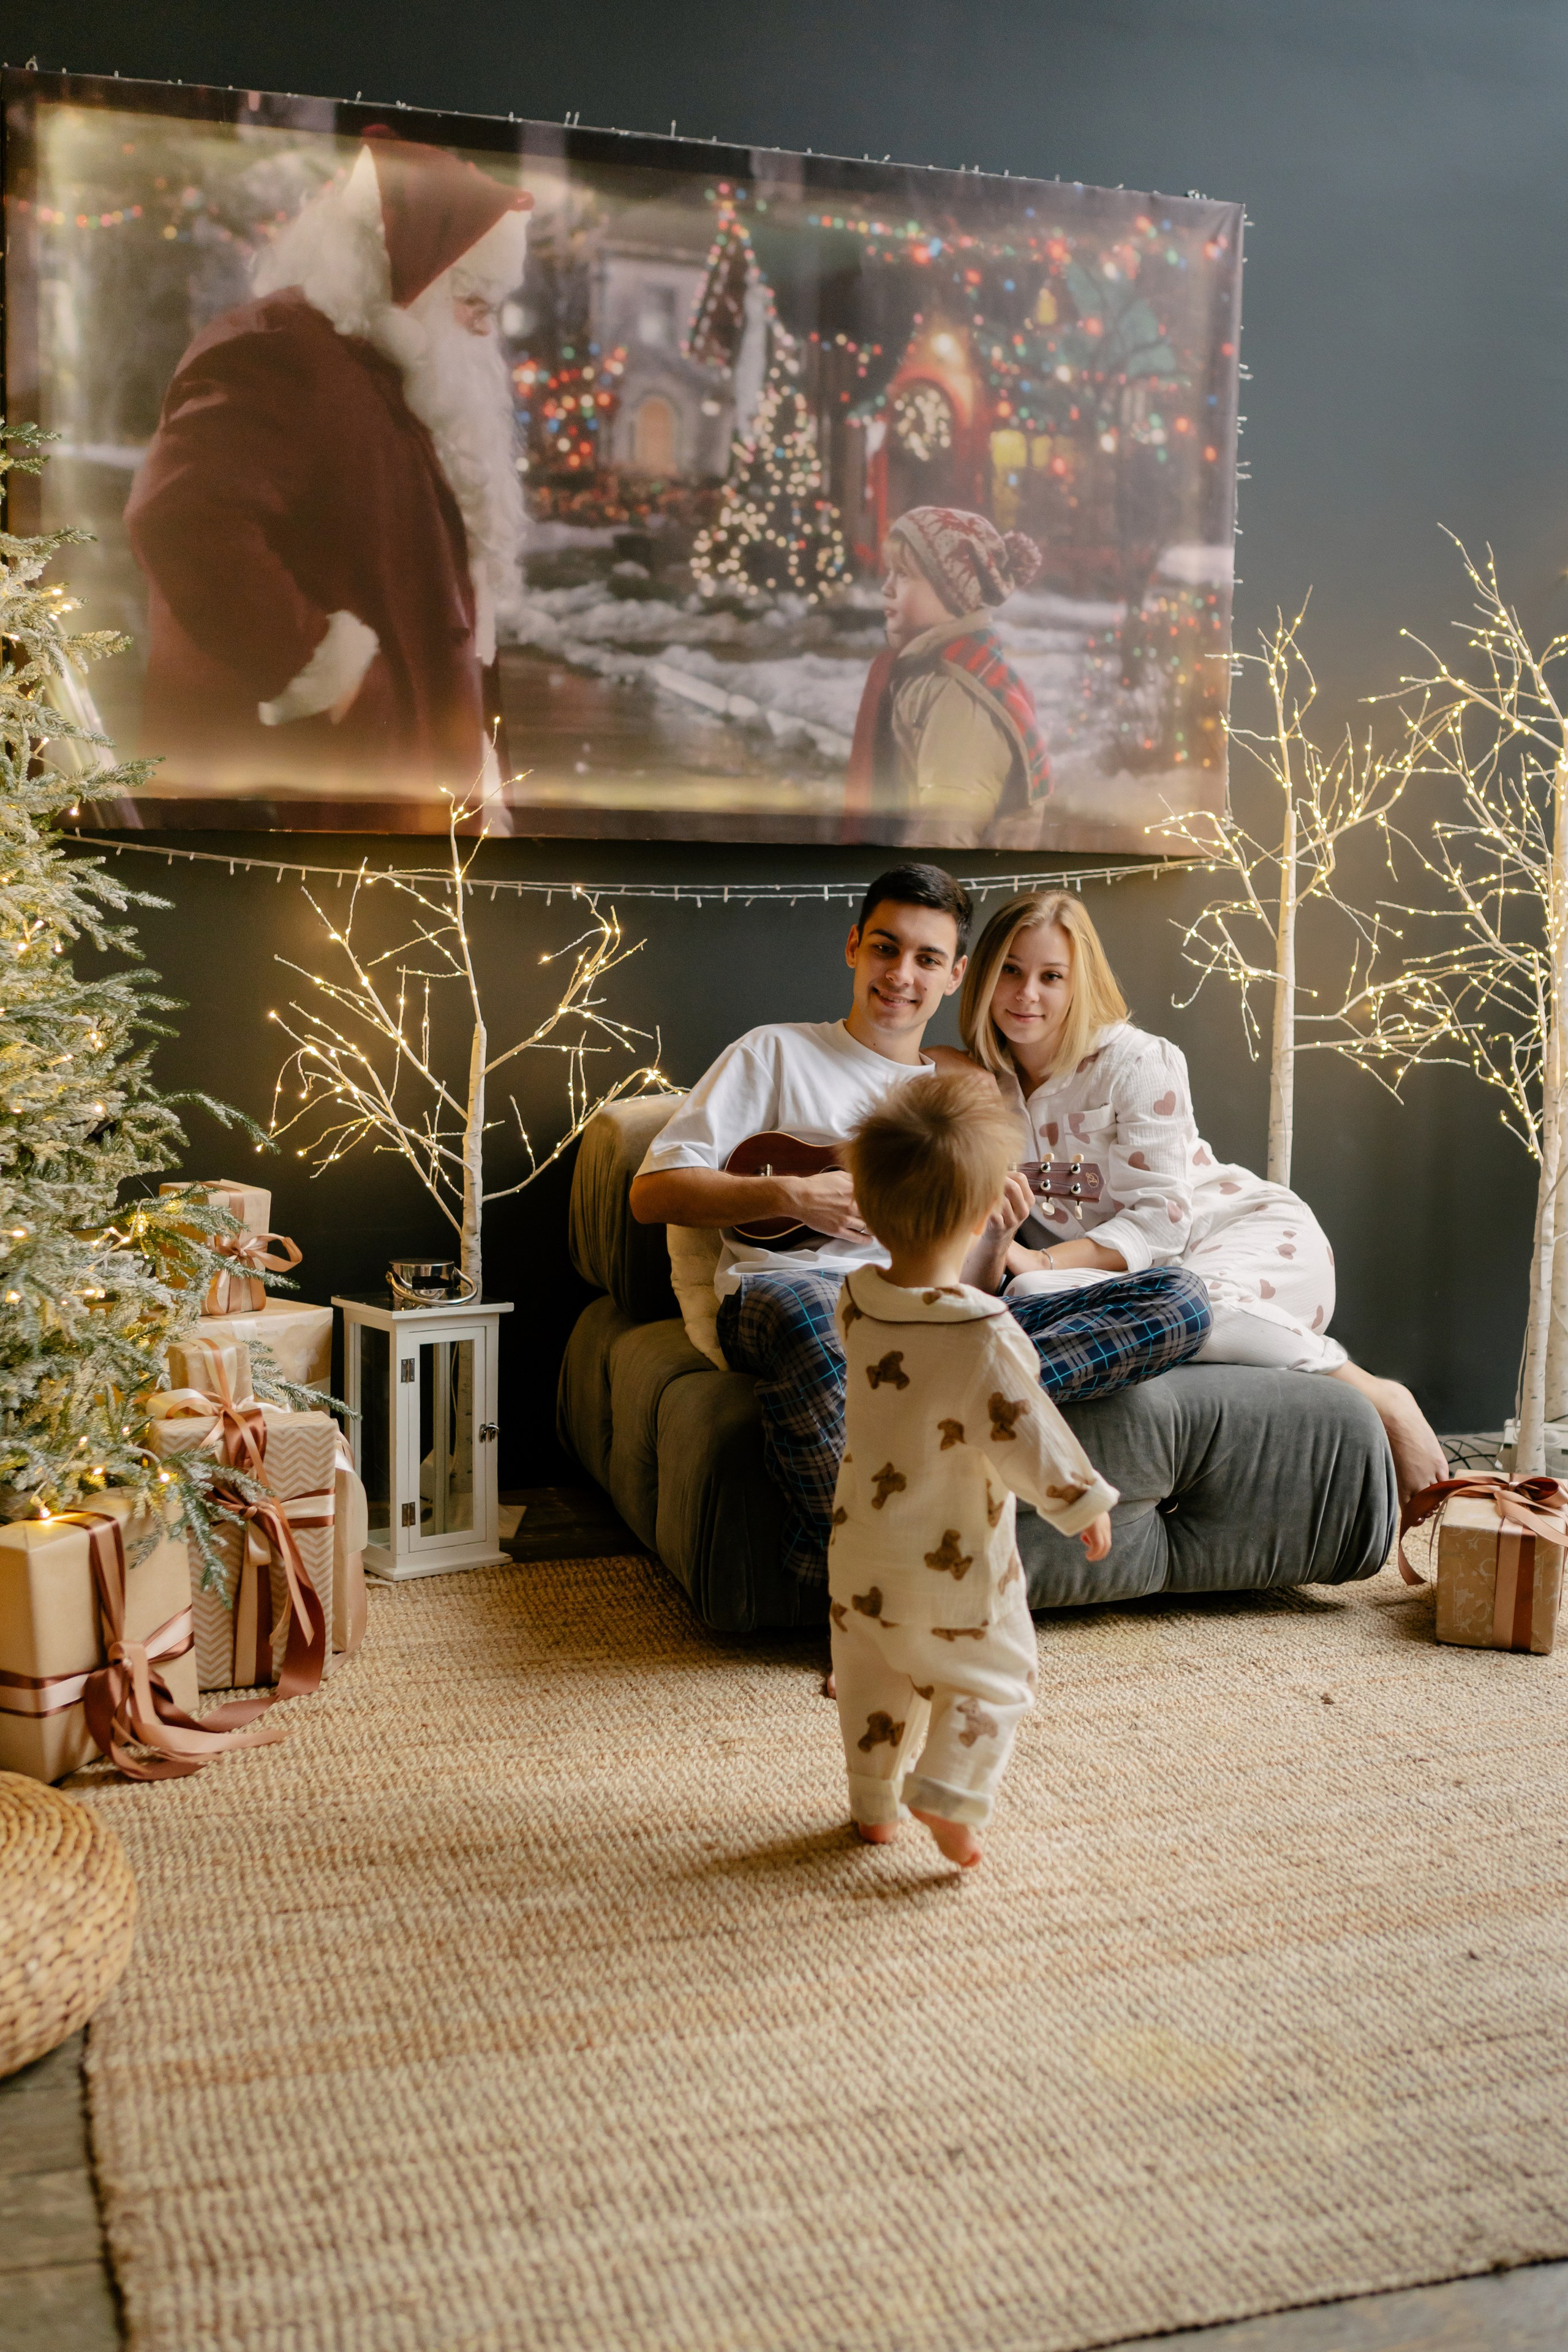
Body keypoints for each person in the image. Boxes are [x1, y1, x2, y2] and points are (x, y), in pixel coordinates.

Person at [627, 861, 1210, 1585]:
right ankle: (858, 1582)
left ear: (955, 975)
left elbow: (967, 1285)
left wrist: (998, 1237)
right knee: (817, 1316)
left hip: (923, 1325)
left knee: (1179, 1301)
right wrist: (793, 1199)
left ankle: (946, 1396)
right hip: (791, 1298)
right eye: (885, 948)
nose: (901, 974)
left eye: (927, 958)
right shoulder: (773, 1052)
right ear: (853, 947)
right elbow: (652, 1195)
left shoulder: (959, 1100)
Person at [958, 888, 1449, 1500]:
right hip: (1133, 1281)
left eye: (1050, 976)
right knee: (1032, 1294)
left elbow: (1163, 1226)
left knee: (1181, 1300)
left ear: (1077, 983)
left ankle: (1373, 1389)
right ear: (980, 976)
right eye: (1010, 970)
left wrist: (1042, 1259)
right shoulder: (979, 1081)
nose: (1026, 994)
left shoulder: (1136, 1062)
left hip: (1245, 1240)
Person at [124, 130, 532, 796]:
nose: (485, 330)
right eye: (473, 302)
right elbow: (183, 518)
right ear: (410, 273)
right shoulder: (279, 350)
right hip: (306, 790)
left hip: (389, 782)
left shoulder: (396, 370)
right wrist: (317, 666)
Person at [829, 1071, 1117, 1869]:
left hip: (861, 1560)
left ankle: (872, 1805)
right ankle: (947, 1796)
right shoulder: (985, 1332)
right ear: (992, 1205)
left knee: (872, 1683)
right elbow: (1025, 1430)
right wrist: (1079, 1501)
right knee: (993, 1678)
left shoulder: (855, 1301)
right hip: (954, 1569)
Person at [843, 506, 1051, 844]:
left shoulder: (957, 697)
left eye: (904, 574)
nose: (887, 588)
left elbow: (943, 841)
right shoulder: (926, 673)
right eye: (889, 572)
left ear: (953, 589)